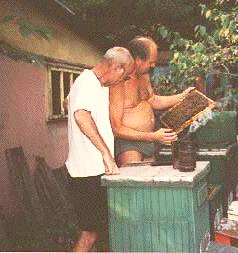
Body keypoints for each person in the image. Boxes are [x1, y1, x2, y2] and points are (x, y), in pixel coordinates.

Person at [65, 47, 134, 252]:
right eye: (125, 76)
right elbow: (81, 116)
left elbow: (68, 101)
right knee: (89, 234)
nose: (123, 82)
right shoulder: (87, 83)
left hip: (94, 171)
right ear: (117, 68)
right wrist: (106, 153)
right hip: (87, 173)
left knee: (101, 232)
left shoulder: (93, 84)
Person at [110, 36, 194, 166]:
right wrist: (153, 137)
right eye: (150, 62)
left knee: (150, 182)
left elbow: (153, 100)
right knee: (134, 182)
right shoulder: (118, 82)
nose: (153, 65)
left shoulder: (144, 76)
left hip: (149, 141)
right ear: (138, 60)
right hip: (129, 145)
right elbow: (116, 129)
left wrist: (182, 96)